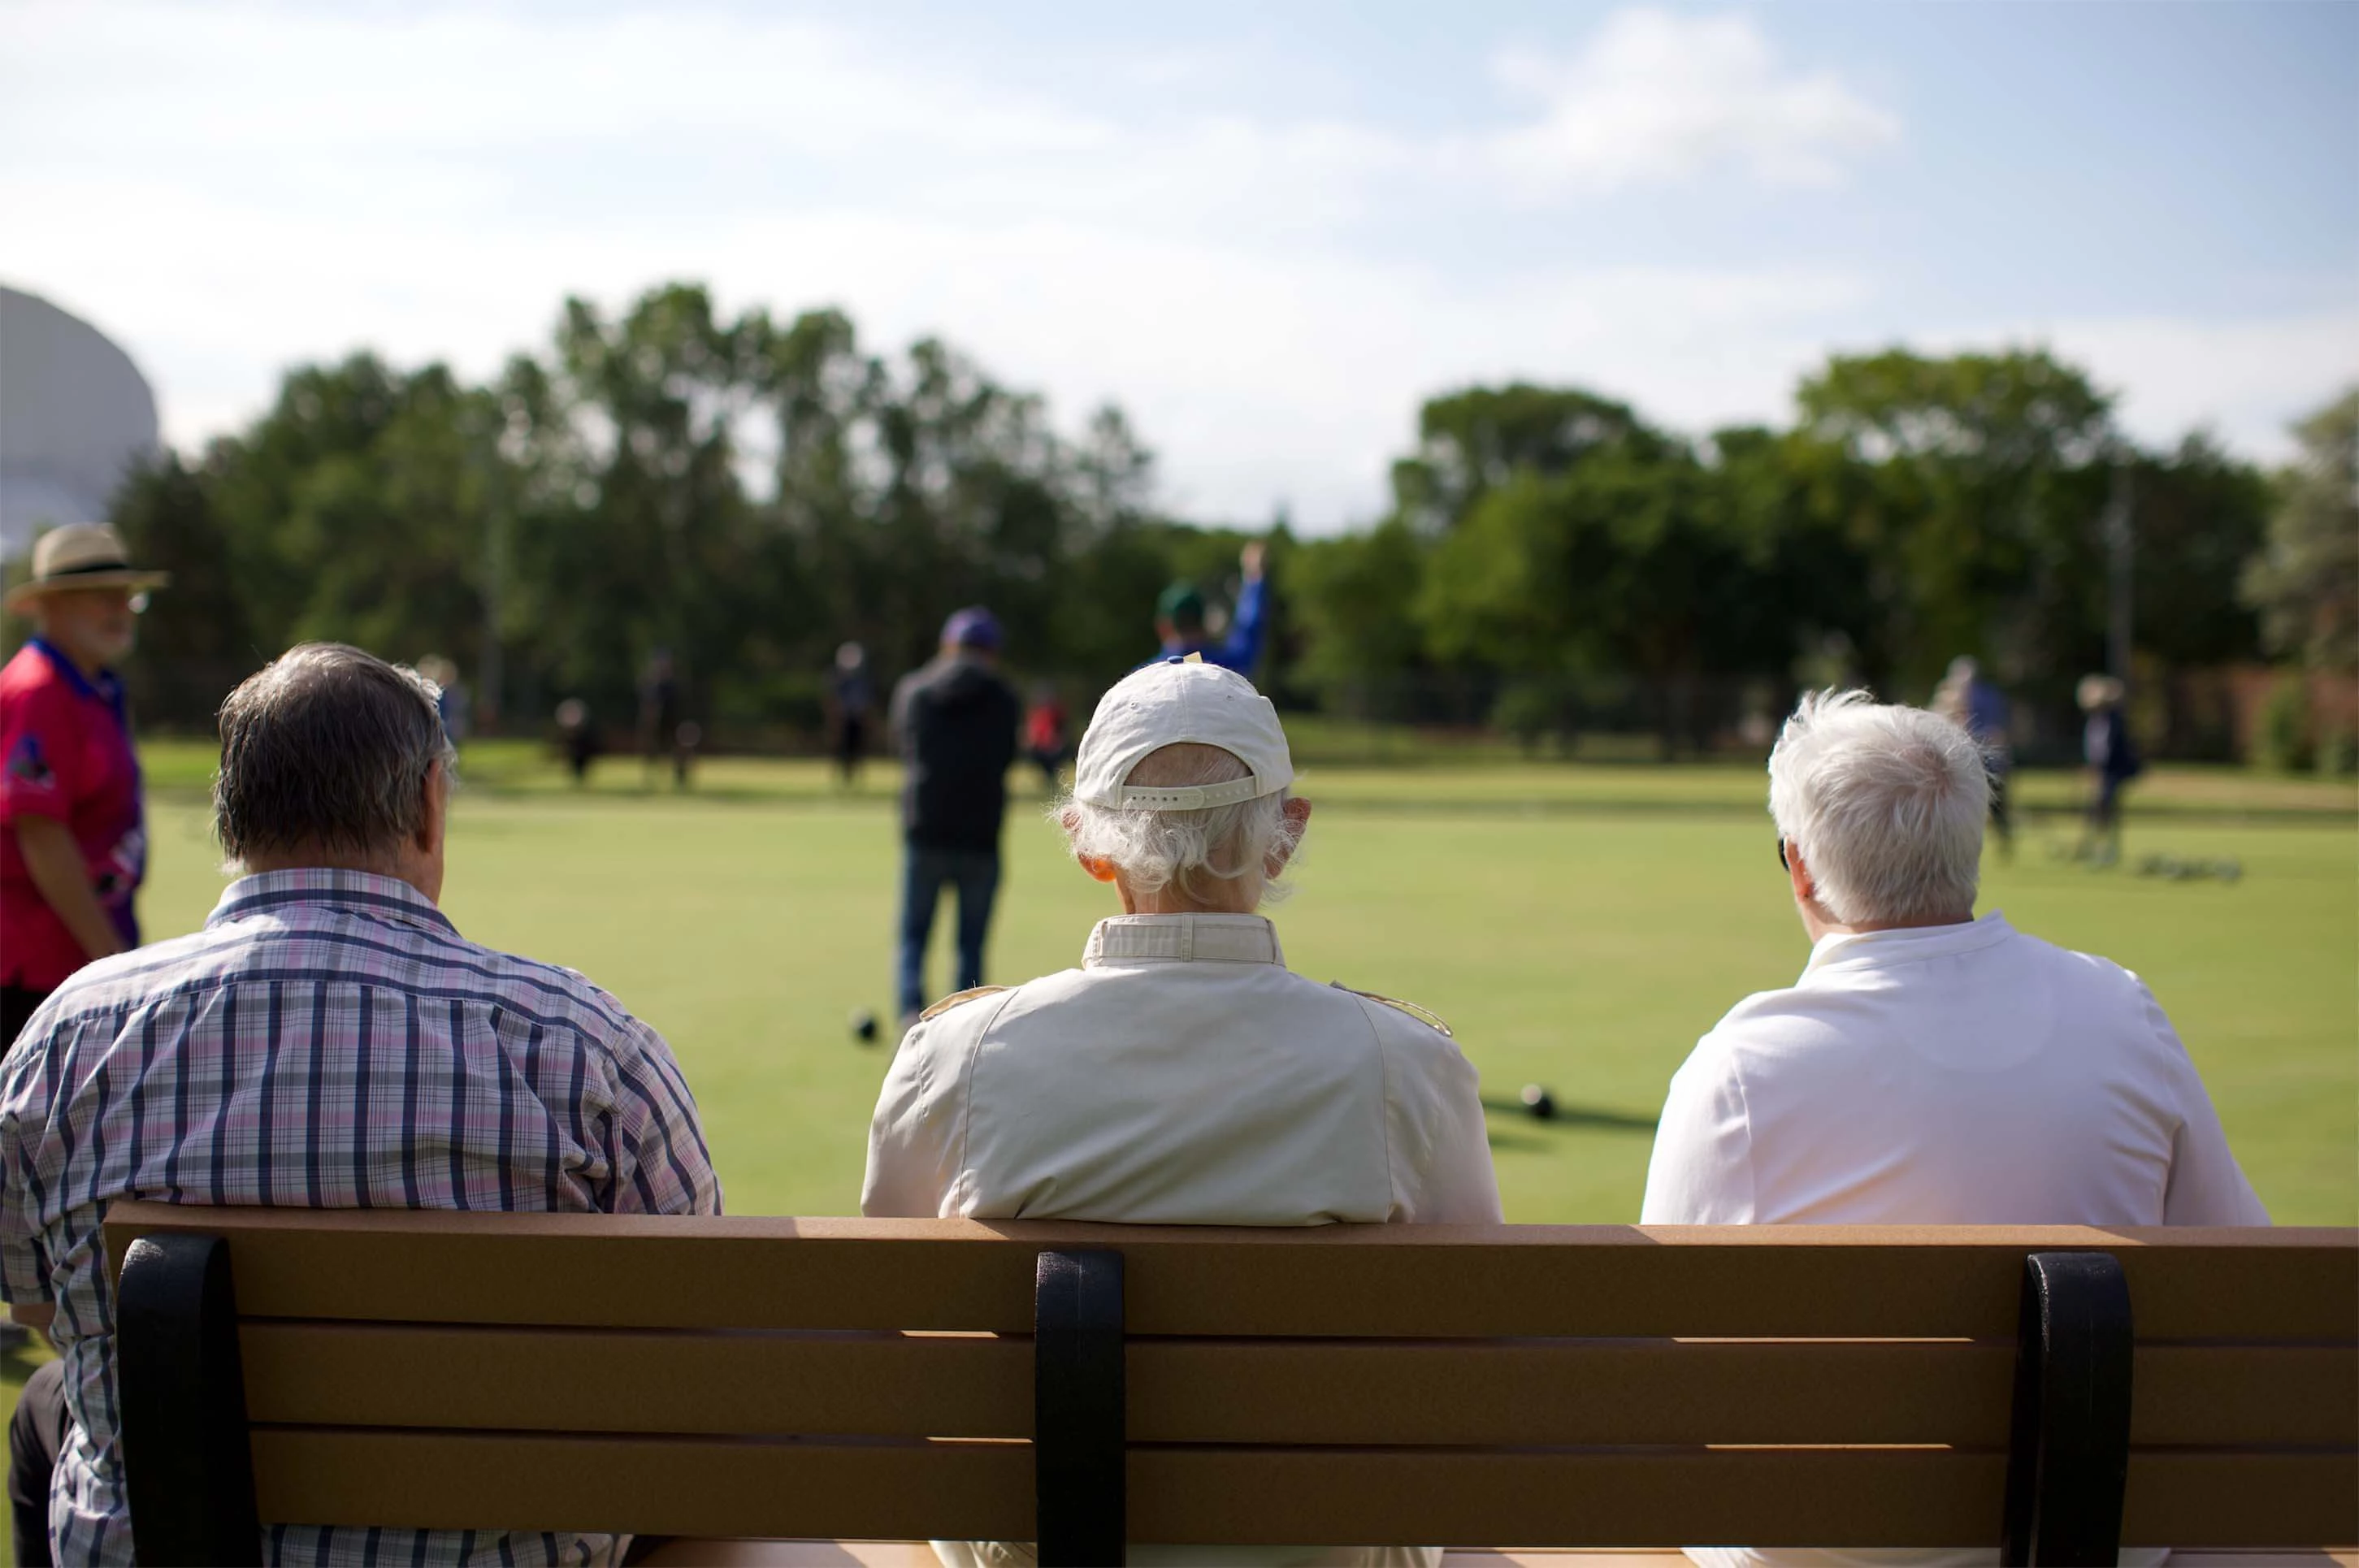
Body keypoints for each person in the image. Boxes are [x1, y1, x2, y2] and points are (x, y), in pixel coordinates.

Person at [2, 643, 721, 1568]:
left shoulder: (67, 1037)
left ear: (233, 816)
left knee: (47, 1404)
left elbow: (40, 1307)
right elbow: (697, 1338)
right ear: (429, 804)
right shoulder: (585, 1049)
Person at [866, 656, 1500, 1568]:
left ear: (1088, 843)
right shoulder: (1408, 1063)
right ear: (1284, 834)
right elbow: (1469, 1342)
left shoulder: (956, 1054)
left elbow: (896, 1330)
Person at [1641, 688, 2266, 1568]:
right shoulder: (2119, 1007)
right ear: (1968, 844)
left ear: (1799, 867)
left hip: (1817, 1552)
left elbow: (1659, 1356)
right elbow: (2241, 1267)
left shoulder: (1737, 1064)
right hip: (2085, 1540)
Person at [1, 522, 167, 1059]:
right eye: (102, 598)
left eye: (125, 596)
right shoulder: (40, 690)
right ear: (53, 606)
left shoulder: (95, 683)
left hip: (75, 961)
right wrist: (109, 964)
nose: (120, 611)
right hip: (35, 970)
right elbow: (41, 833)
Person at [888, 609, 1021, 1030]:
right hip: (981, 834)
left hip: (924, 829)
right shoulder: (1005, 699)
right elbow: (1005, 756)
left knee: (914, 937)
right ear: (992, 652)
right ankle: (966, 1029)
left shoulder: (915, 690)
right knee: (971, 946)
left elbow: (904, 747)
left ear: (948, 645)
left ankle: (912, 1022)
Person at [1932, 654, 2011, 860]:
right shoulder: (1946, 697)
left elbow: (1995, 733)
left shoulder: (1986, 698)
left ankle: (2002, 840)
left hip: (1981, 760)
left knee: (1995, 804)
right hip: (1951, 763)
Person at [1153, 539, 1268, 674]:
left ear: (1163, 627)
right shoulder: (1223, 667)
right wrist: (1254, 578)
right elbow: (1248, 632)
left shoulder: (1140, 680)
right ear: (1204, 623)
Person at [2078, 673, 2140, 867]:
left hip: (2113, 771)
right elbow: (2094, 749)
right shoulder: (2095, 720)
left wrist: (2101, 772)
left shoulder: (2114, 719)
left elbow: (2110, 750)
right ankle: (2095, 846)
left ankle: (2107, 848)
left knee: (2105, 807)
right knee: (2098, 808)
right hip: (2102, 771)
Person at [828, 641, 875, 786]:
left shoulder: (863, 679)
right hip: (843, 719)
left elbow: (867, 699)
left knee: (859, 748)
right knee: (841, 748)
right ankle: (841, 777)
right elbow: (832, 699)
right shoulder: (838, 678)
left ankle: (858, 777)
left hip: (858, 718)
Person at [1021, 682, 1067, 792]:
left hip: (1053, 745)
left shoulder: (1056, 711)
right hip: (1039, 745)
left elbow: (1062, 729)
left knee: (1053, 760)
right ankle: (1047, 779)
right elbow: (1031, 729)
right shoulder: (1035, 711)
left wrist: (1057, 741)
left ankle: (1051, 779)